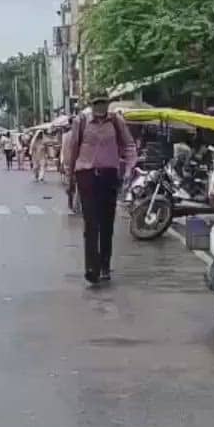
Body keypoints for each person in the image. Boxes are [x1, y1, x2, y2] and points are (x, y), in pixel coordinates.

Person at [65, 91, 135, 283]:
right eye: (97, 103)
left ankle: (105, 265)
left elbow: (129, 145)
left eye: (104, 103)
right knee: (90, 223)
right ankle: (91, 267)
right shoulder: (81, 121)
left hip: (109, 175)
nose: (100, 107)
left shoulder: (116, 121)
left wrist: (128, 170)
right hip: (86, 174)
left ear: (108, 103)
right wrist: (70, 177)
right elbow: (73, 150)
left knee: (106, 223)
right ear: (91, 104)